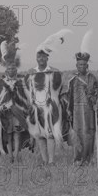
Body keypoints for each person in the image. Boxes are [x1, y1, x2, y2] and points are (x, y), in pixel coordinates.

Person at [24, 29, 71, 165]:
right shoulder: (30, 73)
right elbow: (28, 90)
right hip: (36, 108)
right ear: (36, 58)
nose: (41, 59)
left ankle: (51, 161)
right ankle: (44, 160)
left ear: (47, 58)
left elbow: (59, 88)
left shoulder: (55, 72)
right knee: (39, 135)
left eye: (44, 57)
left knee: (50, 134)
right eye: (39, 57)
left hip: (50, 108)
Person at [67, 34, 98, 166]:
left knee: (89, 134)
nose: (82, 66)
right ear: (76, 65)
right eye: (79, 64)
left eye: (84, 64)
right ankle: (77, 159)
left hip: (89, 111)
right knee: (77, 135)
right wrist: (69, 111)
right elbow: (68, 97)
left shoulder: (92, 78)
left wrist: (93, 98)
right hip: (76, 111)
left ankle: (88, 159)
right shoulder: (72, 80)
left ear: (87, 65)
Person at [0, 41, 28, 163]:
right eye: (9, 68)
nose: (11, 70)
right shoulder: (2, 81)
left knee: (18, 132)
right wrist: (2, 107)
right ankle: (10, 155)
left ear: (16, 68)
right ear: (6, 69)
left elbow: (25, 96)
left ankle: (16, 154)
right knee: (8, 133)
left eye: (13, 68)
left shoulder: (21, 80)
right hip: (6, 112)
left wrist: (24, 107)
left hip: (18, 111)